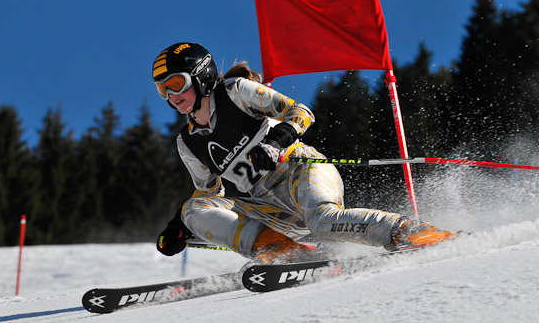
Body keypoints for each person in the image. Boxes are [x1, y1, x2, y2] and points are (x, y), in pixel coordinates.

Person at [153, 42, 457, 264]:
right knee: (193, 211)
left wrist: (276, 141)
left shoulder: (235, 92)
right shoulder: (187, 143)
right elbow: (208, 192)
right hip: (269, 206)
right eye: (162, 89)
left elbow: (300, 111)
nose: (171, 96)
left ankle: (409, 232)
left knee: (323, 222)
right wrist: (180, 226)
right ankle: (283, 251)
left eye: (177, 83)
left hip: (301, 171)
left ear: (201, 76)